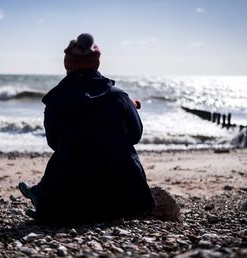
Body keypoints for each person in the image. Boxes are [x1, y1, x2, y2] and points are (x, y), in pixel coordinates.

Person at [19, 33, 155, 224]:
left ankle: (44, 196)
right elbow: (135, 135)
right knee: (118, 153)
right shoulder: (119, 97)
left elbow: (53, 142)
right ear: (96, 63)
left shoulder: (55, 100)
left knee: (66, 155)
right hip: (125, 198)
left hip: (73, 197)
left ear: (67, 64)